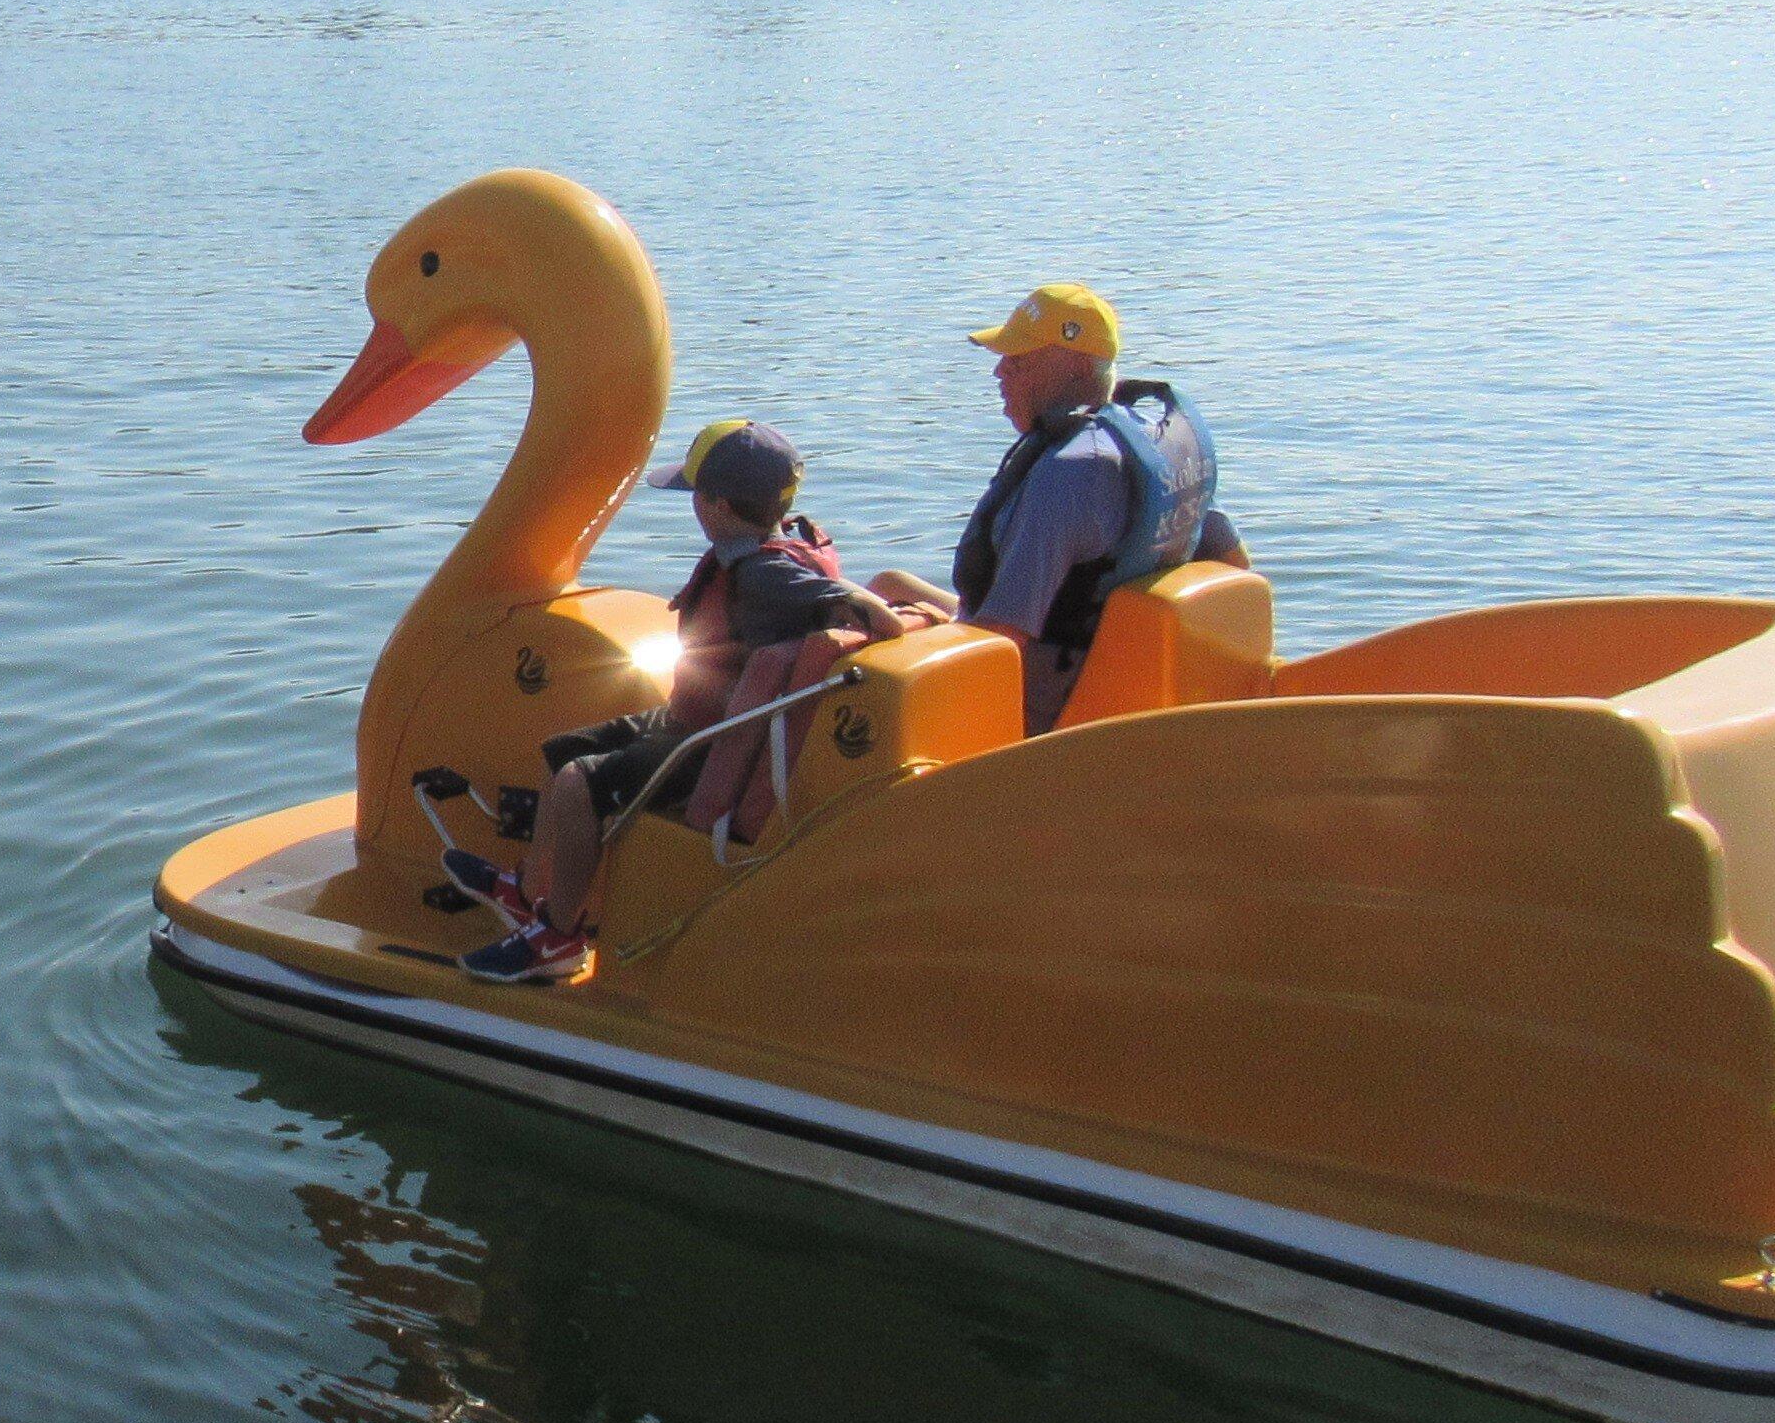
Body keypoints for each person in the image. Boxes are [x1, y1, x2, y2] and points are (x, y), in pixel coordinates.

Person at [455, 420, 918, 986]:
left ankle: (558, 937)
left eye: (697, 495)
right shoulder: (778, 546)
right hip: (693, 716)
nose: (693, 507)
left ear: (718, 505)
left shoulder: (766, 572)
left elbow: (873, 614)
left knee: (581, 782)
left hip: (717, 739)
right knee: (563, 753)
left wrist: (877, 613)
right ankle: (529, 893)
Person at [866, 282, 1243, 736]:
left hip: (1045, 701)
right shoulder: (1155, 448)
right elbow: (1234, 565)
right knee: (888, 584)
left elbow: (1001, 641)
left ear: (1075, 369)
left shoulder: (1070, 474)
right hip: (1102, 663)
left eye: (1018, 361)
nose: (999, 373)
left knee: (833, 652)